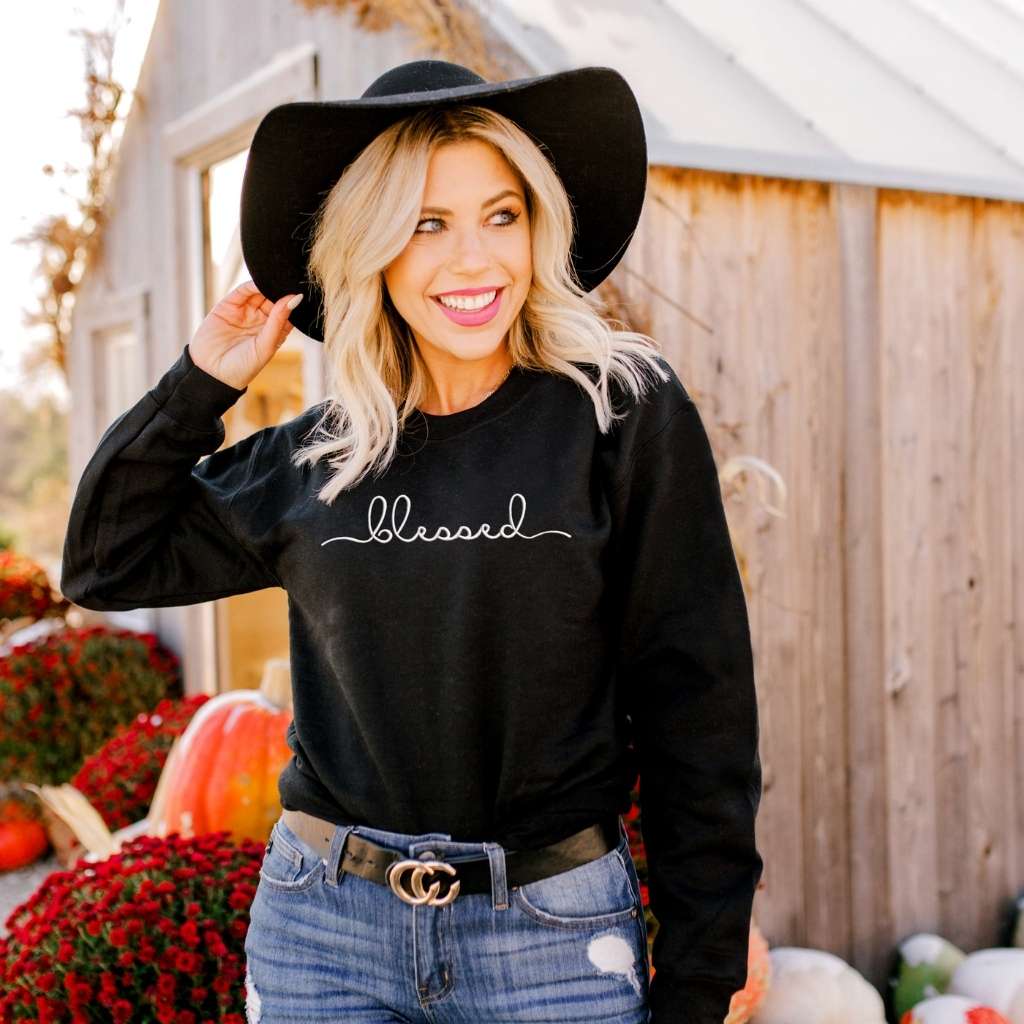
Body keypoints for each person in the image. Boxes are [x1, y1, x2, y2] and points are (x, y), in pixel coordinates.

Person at [60, 59, 763, 1024]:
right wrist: (201, 382)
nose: (474, 259)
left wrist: (702, 969)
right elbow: (105, 558)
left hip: (552, 940)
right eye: (426, 223)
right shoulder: (321, 457)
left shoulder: (620, 416)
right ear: (373, 248)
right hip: (324, 935)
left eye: (501, 214)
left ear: (539, 227)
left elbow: (701, 705)